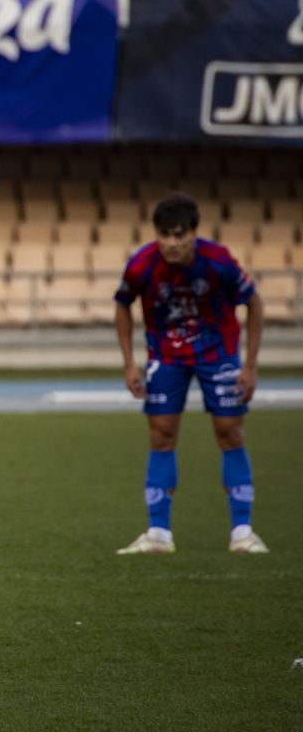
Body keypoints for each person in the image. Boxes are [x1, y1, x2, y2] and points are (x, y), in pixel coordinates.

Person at [114, 192, 267, 555]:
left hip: (217, 354)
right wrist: (129, 363)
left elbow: (254, 303)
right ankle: (158, 534)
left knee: (230, 432)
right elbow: (122, 305)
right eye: (164, 234)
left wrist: (249, 365)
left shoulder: (218, 261)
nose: (171, 243)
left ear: (194, 233)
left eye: (179, 234)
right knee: (161, 434)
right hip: (167, 356)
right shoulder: (141, 265)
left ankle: (242, 532)